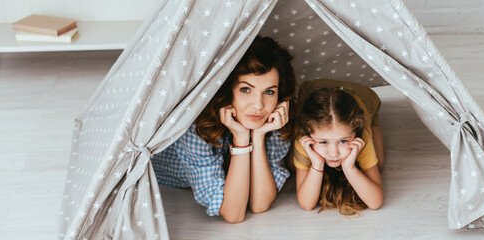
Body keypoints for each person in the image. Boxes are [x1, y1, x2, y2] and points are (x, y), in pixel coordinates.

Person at [150, 36, 297, 223]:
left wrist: (258, 137)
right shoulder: (198, 128)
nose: (258, 105)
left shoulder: (273, 123)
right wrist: (241, 139)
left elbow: (259, 204)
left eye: (269, 92)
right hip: (165, 179)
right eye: (246, 90)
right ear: (228, 90)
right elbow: (233, 213)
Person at [287, 79, 385, 216]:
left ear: (355, 134)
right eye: (323, 142)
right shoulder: (304, 136)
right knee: (292, 163)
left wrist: (349, 168)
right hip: (314, 87)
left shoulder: (362, 135)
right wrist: (317, 165)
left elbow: (375, 202)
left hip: (364, 95)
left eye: (343, 141)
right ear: (309, 134)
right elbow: (307, 204)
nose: (333, 153)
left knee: (379, 164)